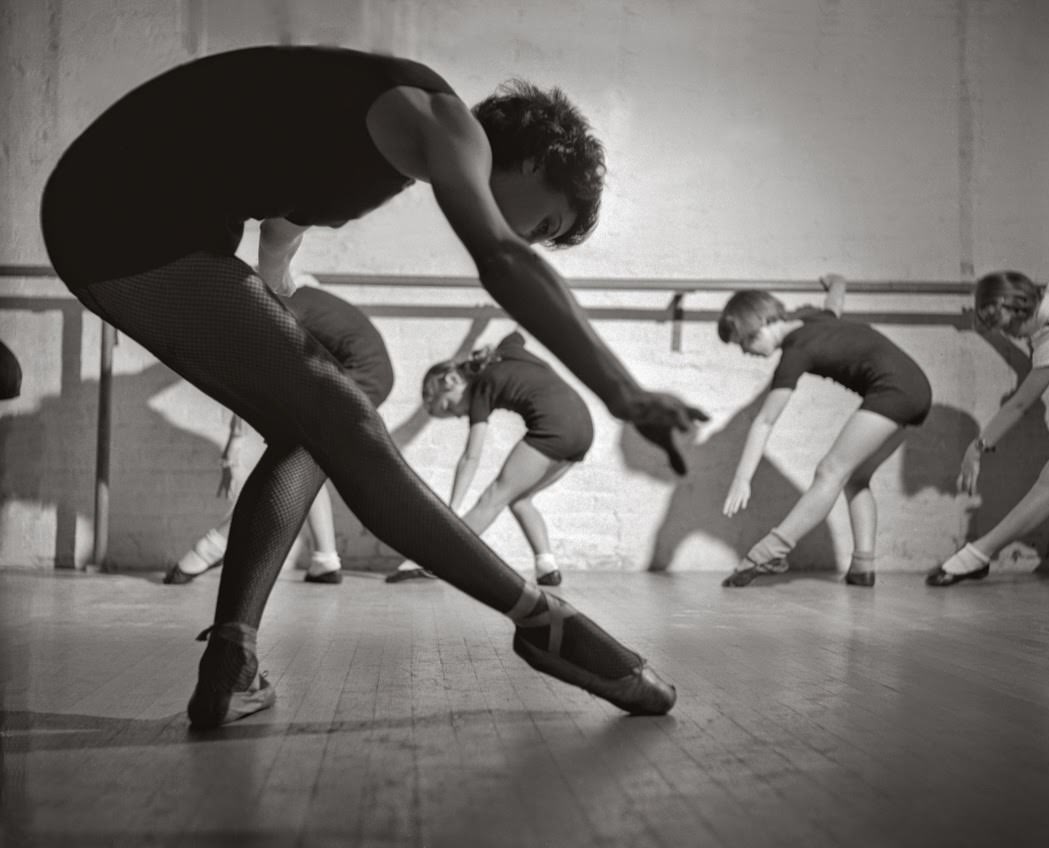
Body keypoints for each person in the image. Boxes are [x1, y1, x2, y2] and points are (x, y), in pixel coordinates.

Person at [41, 45, 705, 728]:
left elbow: (279, 229)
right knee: (343, 416)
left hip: (116, 226)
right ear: (538, 159)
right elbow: (501, 261)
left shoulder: (372, 162)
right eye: (546, 224)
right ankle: (542, 620)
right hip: (124, 218)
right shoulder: (435, 115)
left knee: (314, 424)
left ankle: (230, 664)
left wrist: (268, 303)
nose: (530, 240)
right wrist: (622, 393)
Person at [165, 284, 393, 586]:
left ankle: (211, 548)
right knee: (307, 456)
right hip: (364, 374)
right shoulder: (282, 299)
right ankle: (324, 560)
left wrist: (233, 447)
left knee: (290, 459)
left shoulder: (272, 311)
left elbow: (257, 375)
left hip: (363, 377)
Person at [718, 274, 931, 587]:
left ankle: (769, 552)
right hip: (914, 385)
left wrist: (742, 478)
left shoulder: (795, 353)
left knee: (830, 470)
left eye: (746, 340)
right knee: (854, 477)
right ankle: (863, 566)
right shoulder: (813, 319)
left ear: (763, 321)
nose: (745, 351)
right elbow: (834, 304)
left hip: (895, 390)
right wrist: (837, 283)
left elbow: (765, 420)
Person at [398, 330, 593, 587]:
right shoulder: (505, 351)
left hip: (554, 427)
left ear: (451, 380)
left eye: (447, 407)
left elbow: (471, 457)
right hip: (584, 429)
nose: (456, 414)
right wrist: (479, 327)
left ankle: (436, 561)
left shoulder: (480, 389)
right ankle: (547, 567)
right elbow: (517, 333)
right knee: (520, 499)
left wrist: (452, 510)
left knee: (492, 498)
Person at [928, 271, 1049, 586]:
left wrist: (976, 448)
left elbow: (1019, 404)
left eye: (1009, 328)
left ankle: (975, 556)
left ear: (1014, 307)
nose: (1016, 337)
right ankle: (976, 555)